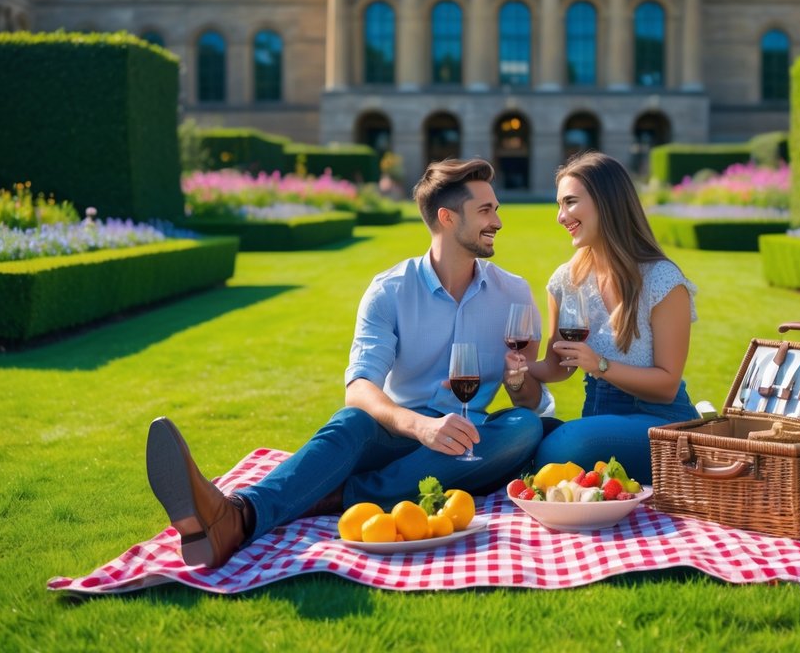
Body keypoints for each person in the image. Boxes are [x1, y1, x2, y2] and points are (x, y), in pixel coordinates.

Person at [146, 158, 552, 568]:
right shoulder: (389, 291)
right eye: (486, 210)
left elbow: (529, 399)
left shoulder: (513, 294)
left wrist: (518, 382)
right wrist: (420, 426)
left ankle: (333, 494)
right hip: (395, 433)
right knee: (351, 421)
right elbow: (359, 388)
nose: (498, 221)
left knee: (523, 428)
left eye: (496, 209)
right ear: (447, 218)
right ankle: (236, 515)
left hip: (467, 438)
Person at [502, 152, 699, 483]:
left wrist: (600, 366)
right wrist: (512, 365)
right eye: (558, 205)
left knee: (560, 449)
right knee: (519, 438)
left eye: (570, 203)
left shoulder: (662, 280)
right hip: (597, 419)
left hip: (659, 420)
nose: (560, 216)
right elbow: (554, 367)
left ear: (607, 202)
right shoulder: (566, 280)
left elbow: (666, 386)